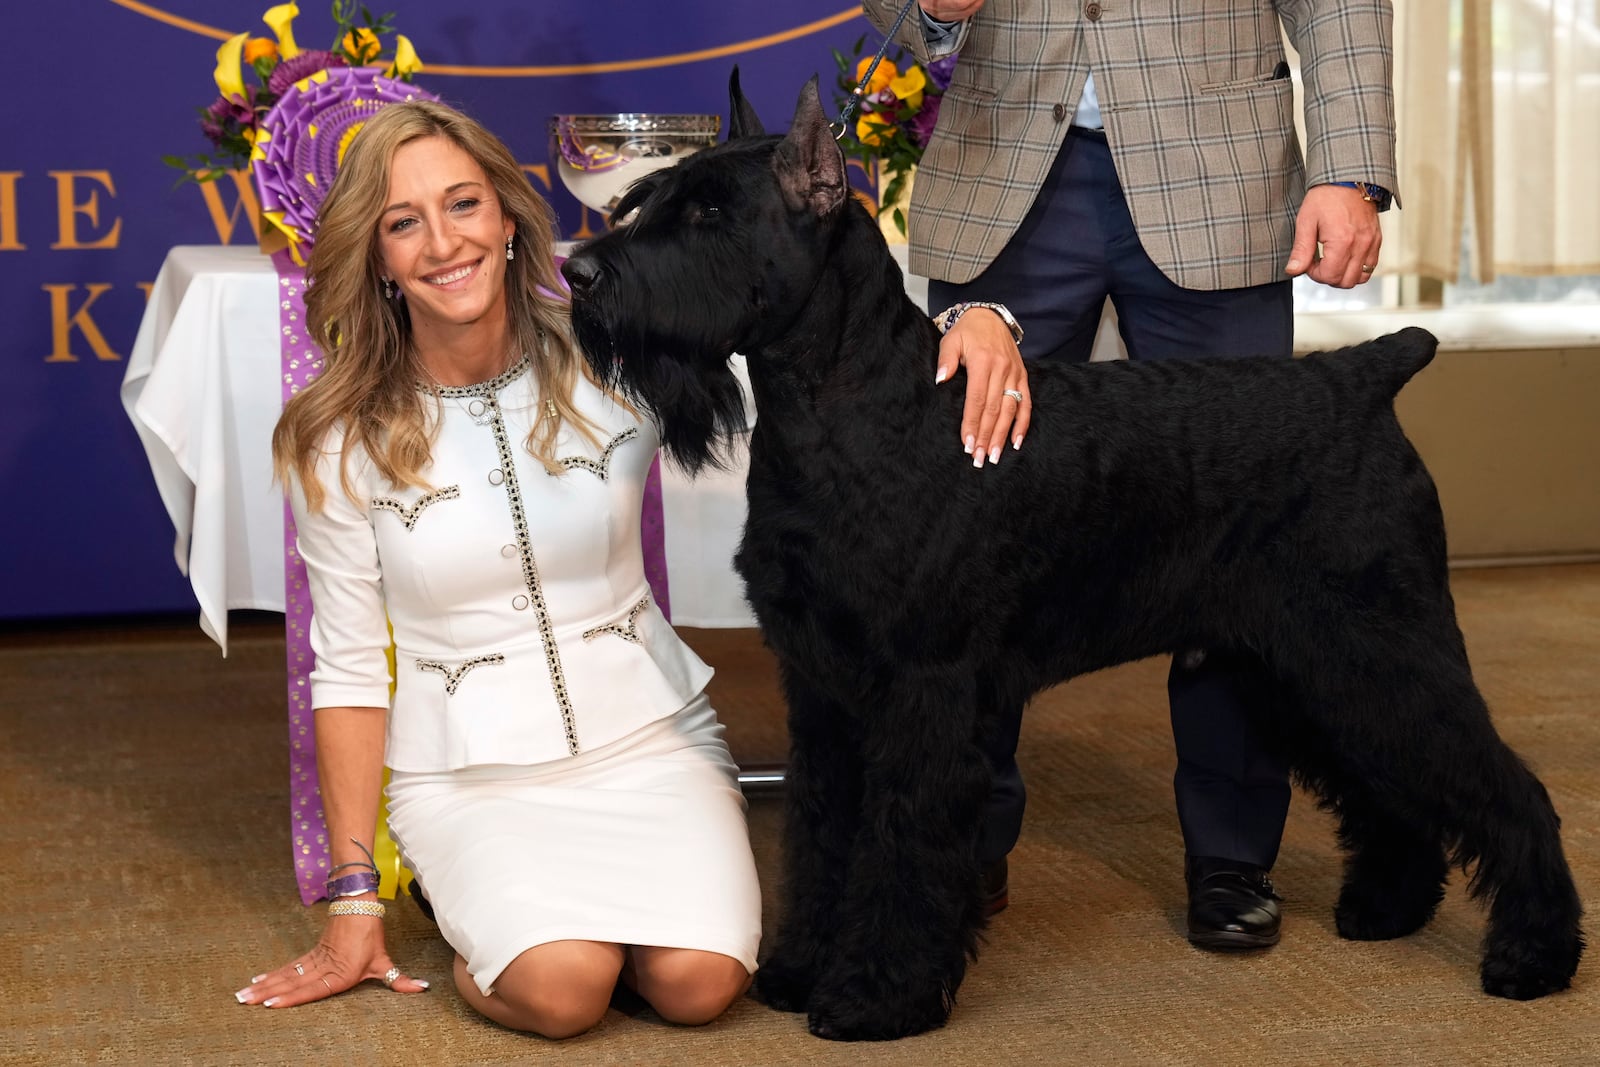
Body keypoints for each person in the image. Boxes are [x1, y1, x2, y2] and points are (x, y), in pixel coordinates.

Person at [863, 0, 1398, 948]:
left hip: (1222, 175)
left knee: (1238, 534)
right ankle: (961, 837)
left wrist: (1350, 167)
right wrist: (927, 14)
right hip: (1003, 180)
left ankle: (1233, 854)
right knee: (965, 547)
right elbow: (899, 14)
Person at [236, 100, 765, 1038]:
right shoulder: (334, 437)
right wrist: (356, 897)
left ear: (512, 221)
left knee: (701, 985)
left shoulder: (617, 358)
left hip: (653, 738)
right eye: (404, 224)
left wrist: (976, 317)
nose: (443, 242)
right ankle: (504, 918)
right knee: (564, 994)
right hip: (467, 774)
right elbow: (350, 668)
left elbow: (795, 340)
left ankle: (595, 928)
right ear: (380, 260)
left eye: (464, 205)